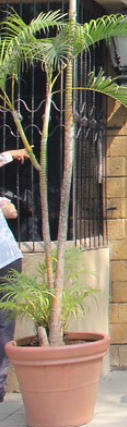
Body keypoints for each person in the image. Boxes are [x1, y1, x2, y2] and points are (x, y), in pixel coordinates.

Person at [0, 147, 30, 403]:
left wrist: (12, 153)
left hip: (6, 261)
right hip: (7, 259)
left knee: (3, 324)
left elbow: (12, 212)